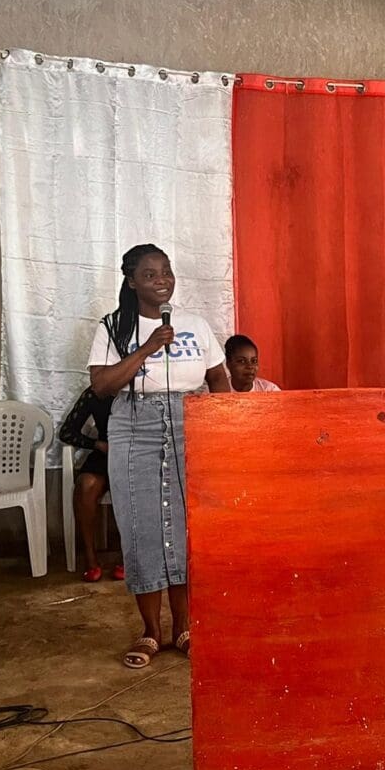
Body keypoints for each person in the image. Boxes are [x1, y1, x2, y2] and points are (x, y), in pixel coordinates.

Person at [88, 243, 229, 669]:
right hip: (135, 426)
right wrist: (147, 347)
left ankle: (184, 628)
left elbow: (218, 378)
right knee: (142, 527)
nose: (162, 280)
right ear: (131, 282)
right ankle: (151, 631)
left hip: (192, 422)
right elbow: (101, 385)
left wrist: (225, 426)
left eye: (166, 272)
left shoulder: (195, 324)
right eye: (150, 274)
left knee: (188, 529)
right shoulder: (113, 326)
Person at [59, 386, 121, 582]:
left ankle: (129, 557)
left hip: (136, 454)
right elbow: (67, 432)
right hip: (105, 452)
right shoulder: (96, 391)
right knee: (86, 485)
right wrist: (97, 444)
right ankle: (90, 558)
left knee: (132, 486)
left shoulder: (143, 387)